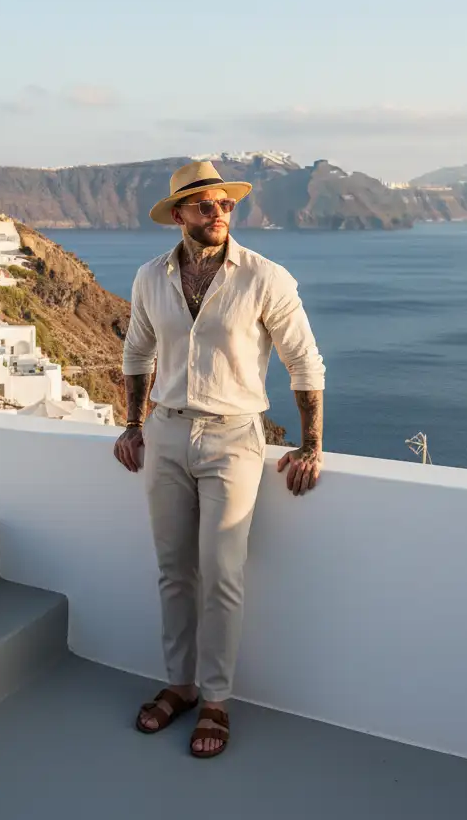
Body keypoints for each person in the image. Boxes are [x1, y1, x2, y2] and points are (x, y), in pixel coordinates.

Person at [113, 160, 326, 759]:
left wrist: (310, 445)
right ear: (179, 214)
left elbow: (304, 364)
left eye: (226, 205)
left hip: (234, 438)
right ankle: (179, 685)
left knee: (223, 574)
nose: (218, 214)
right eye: (204, 205)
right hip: (166, 434)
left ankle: (215, 698)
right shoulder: (151, 277)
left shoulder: (265, 277)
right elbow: (137, 352)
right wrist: (132, 425)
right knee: (173, 570)